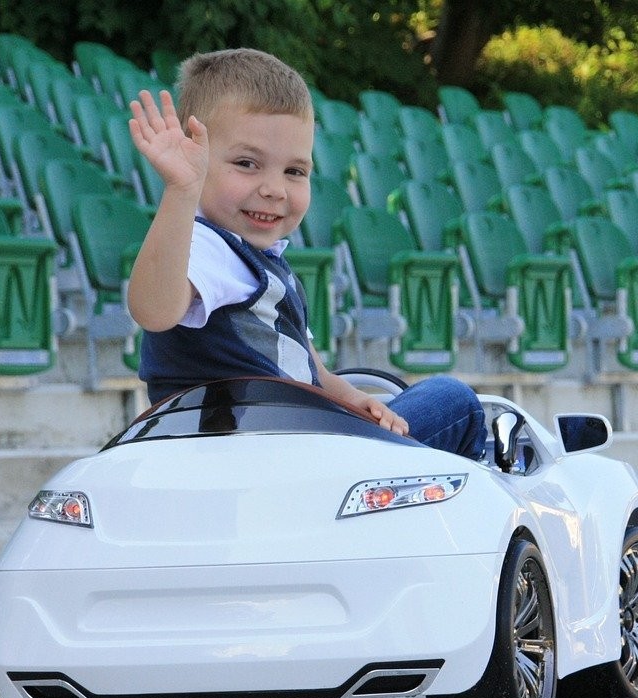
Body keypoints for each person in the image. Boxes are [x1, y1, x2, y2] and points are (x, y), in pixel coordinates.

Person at [126, 48, 484, 460]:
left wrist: (354, 399)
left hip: (296, 446)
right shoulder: (204, 246)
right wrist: (181, 191)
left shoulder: (266, 264)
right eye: (247, 163)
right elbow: (154, 310)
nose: (275, 189)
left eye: (294, 171)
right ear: (196, 154)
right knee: (454, 401)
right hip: (265, 453)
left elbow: (311, 370)